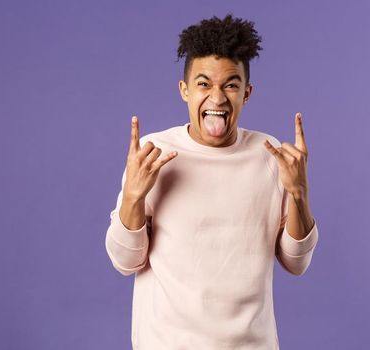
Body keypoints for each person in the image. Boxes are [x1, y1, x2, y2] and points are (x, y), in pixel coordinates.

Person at [104, 14, 319, 349]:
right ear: (185, 90)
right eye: (204, 84)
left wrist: (298, 193)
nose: (217, 98)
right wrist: (133, 197)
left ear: (246, 93)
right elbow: (125, 261)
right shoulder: (154, 153)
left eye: (230, 85)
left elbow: (296, 262)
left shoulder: (271, 155)